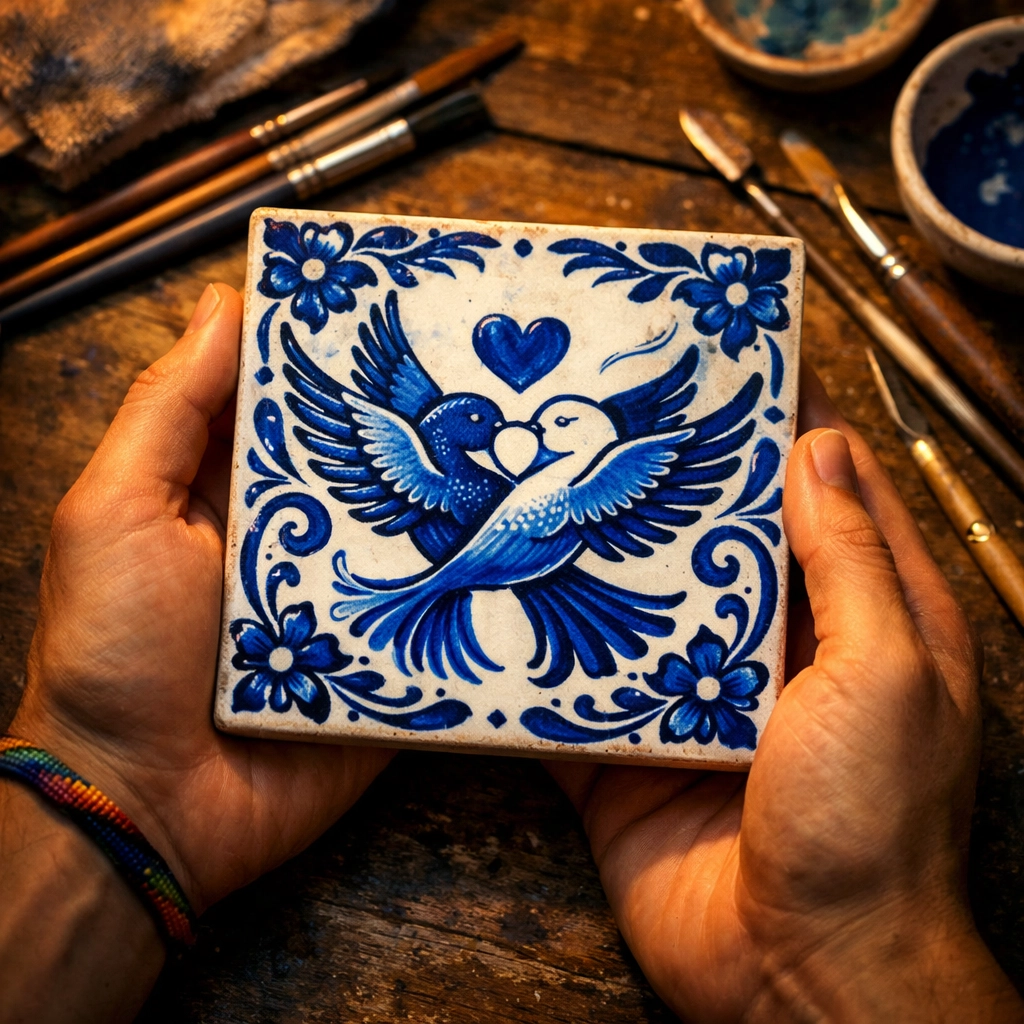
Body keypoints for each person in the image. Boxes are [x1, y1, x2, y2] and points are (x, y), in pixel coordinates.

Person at [0, 283, 1020, 1023]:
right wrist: (856, 941)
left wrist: (841, 931)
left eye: (549, 420)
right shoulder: (466, 456)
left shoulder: (589, 468)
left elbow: (668, 454)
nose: (520, 432)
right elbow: (383, 412)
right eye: (500, 423)